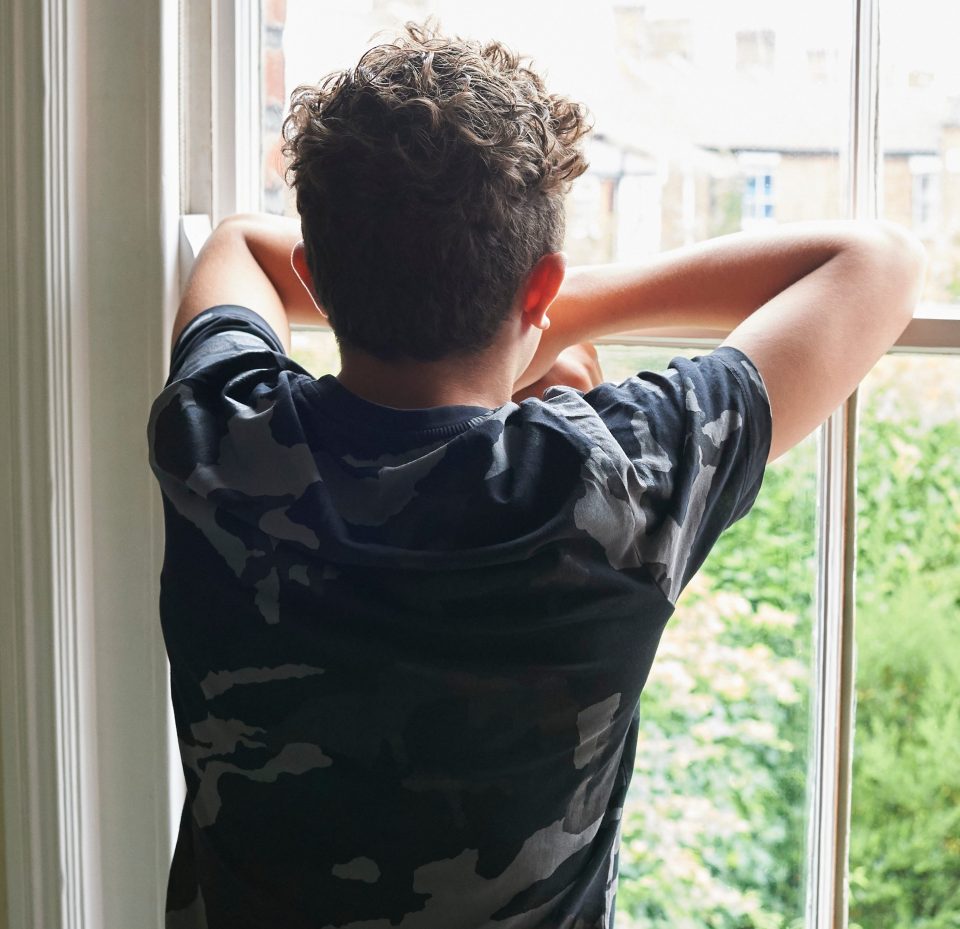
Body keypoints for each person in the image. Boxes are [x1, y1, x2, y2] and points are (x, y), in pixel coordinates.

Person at [149, 21, 925, 929]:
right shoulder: (604, 483)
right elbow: (879, 264)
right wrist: (543, 312)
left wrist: (513, 307)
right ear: (541, 282)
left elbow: (240, 243)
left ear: (315, 280)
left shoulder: (218, 436)